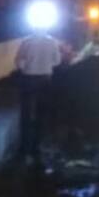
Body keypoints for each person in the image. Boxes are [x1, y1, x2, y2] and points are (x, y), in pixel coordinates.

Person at [15, 24, 62, 162]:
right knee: (41, 113)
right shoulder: (52, 42)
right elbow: (57, 61)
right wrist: (45, 64)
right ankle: (37, 147)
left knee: (26, 114)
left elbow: (18, 61)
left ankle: (24, 148)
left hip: (28, 79)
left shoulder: (26, 41)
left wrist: (26, 68)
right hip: (45, 79)